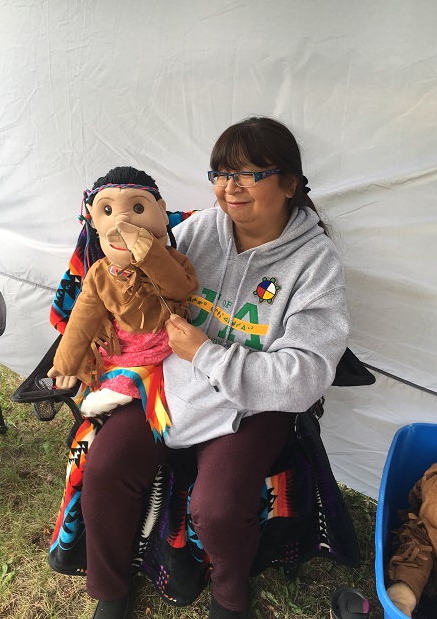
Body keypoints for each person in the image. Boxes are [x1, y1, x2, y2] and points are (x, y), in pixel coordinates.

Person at [79, 117, 350, 619]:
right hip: (169, 385)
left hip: (251, 402)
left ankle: (230, 601)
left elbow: (307, 373)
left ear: (289, 183)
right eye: (221, 173)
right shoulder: (201, 228)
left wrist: (207, 353)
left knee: (218, 507)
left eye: (248, 174)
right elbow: (139, 276)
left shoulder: (315, 262)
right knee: (107, 466)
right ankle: (109, 590)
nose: (230, 187)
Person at [46, 167, 198, 439]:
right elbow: (83, 318)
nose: (123, 219)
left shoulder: (173, 261)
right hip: (121, 344)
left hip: (165, 339)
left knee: (158, 373)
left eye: (138, 208)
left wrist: (146, 250)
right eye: (107, 211)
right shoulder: (101, 274)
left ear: (161, 211)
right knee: (98, 367)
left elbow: (179, 288)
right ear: (94, 221)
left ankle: (119, 395)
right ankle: (108, 401)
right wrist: (65, 362)